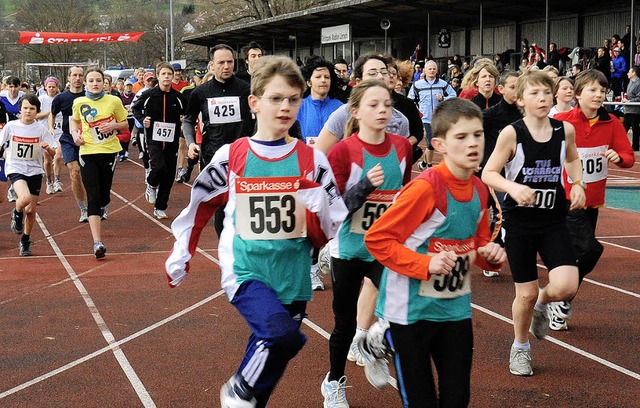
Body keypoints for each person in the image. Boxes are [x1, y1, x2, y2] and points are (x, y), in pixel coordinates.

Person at [165, 55, 347, 408]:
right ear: (254, 102)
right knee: (283, 337)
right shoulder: (232, 156)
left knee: (271, 356)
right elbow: (199, 206)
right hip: (246, 270)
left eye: (293, 99)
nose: (285, 107)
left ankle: (244, 393)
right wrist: (182, 252)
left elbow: (334, 220)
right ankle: (237, 390)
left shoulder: (312, 161)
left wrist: (321, 219)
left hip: (292, 275)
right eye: (276, 98)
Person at [363, 98, 507, 407]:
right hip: (410, 311)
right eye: (461, 137)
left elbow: (475, 243)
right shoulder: (426, 188)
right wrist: (425, 264)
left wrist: (488, 253)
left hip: (454, 308)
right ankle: (385, 336)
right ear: (439, 144)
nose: (472, 144)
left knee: (457, 399)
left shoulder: (481, 189)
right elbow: (377, 239)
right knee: (421, 401)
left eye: (478, 135)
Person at [482, 71, 586, 376]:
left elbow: (573, 158)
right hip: (520, 225)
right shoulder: (512, 134)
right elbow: (489, 172)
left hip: (553, 220)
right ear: (522, 100)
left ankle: (544, 300)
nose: (542, 99)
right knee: (523, 293)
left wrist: (577, 183)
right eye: (534, 94)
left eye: (546, 93)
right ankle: (521, 347)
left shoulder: (563, 130)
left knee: (567, 285)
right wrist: (513, 188)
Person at [321, 79, 413, 407]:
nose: (382, 111)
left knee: (400, 307)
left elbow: (403, 198)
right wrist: (362, 187)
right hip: (348, 247)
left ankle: (375, 346)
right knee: (344, 324)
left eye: (387, 105)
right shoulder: (343, 151)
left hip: (384, 247)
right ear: (356, 112)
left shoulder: (402, 148)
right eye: (373, 105)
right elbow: (331, 208)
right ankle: (334, 381)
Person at [552, 69, 635, 330]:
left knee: (578, 255)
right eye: (593, 90)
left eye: (603, 90)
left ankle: (561, 298)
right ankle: (559, 298)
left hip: (593, 201)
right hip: (567, 200)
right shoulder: (563, 121)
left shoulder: (611, 123)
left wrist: (618, 158)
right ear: (577, 94)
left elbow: (628, 156)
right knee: (590, 249)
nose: (599, 95)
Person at [183, 43, 255, 236]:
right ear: (212, 66)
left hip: (244, 156)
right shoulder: (200, 92)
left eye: (230, 62)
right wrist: (190, 143)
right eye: (221, 62)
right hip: (214, 157)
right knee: (222, 207)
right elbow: (188, 120)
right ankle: (225, 252)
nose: (226, 66)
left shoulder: (246, 89)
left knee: (243, 205)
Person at [70, 67, 129, 259]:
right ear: (85, 83)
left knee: (104, 195)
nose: (95, 84)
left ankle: (105, 204)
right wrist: (75, 134)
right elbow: (75, 122)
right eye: (91, 80)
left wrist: (113, 126)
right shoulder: (79, 101)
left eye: (98, 80)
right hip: (87, 152)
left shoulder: (114, 100)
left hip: (109, 151)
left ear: (105, 83)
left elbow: (125, 123)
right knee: (93, 196)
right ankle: (97, 242)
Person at [1, 94, 58, 256]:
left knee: (31, 210)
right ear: (20, 109)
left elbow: (54, 152)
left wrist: (48, 148)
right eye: (25, 108)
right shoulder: (11, 126)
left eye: (32, 109)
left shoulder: (40, 129)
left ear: (37, 111)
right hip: (15, 168)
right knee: (24, 198)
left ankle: (25, 239)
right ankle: (16, 213)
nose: (28, 111)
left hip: (34, 171)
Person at [479, 70, 522, 278]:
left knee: (515, 215)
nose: (517, 91)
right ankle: (491, 256)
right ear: (502, 89)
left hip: (520, 172)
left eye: (520, 86)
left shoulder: (526, 114)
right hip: (496, 173)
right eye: (513, 87)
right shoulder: (491, 115)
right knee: (500, 214)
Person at [132, 62, 188, 220]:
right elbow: (135, 108)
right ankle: (151, 184)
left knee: (169, 175)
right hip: (153, 138)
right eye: (163, 74)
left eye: (169, 74)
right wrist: (143, 119)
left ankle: (160, 207)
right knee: (158, 166)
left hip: (172, 140)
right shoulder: (149, 95)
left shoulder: (178, 97)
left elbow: (188, 111)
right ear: (158, 76)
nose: (167, 77)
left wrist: (184, 117)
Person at [50, 66, 89, 222]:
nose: (78, 78)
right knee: (74, 172)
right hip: (68, 138)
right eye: (75, 75)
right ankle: (83, 209)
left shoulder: (89, 96)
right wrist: (51, 129)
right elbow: (52, 115)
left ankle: (97, 203)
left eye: (80, 75)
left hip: (88, 138)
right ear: (69, 78)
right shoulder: (61, 98)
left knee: (91, 175)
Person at [408, 59, 456, 168]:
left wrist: (443, 98)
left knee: (435, 143)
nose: (432, 71)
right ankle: (429, 166)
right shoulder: (417, 85)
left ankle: (424, 163)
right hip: (425, 118)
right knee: (430, 143)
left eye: (434, 69)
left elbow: (454, 95)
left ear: (437, 71)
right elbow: (410, 100)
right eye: (430, 69)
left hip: (439, 118)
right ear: (425, 70)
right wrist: (416, 112)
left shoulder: (443, 84)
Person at [297, 56, 343, 145]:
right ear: (309, 82)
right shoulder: (298, 107)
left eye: (327, 77)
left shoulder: (340, 108)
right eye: (318, 77)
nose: (323, 80)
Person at [36, 76, 64, 195]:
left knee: (58, 156)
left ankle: (57, 180)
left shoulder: (61, 98)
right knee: (47, 158)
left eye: (54, 87)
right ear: (45, 87)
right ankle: (49, 181)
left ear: (57, 87)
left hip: (59, 131)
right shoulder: (41, 99)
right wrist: (50, 112)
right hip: (45, 132)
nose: (51, 89)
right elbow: (35, 116)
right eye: (49, 87)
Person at [623, 66, 640, 151]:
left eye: (629, 72)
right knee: (624, 128)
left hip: (635, 110)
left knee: (635, 129)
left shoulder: (638, 83)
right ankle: (621, 145)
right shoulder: (630, 82)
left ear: (634, 73)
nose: (627, 73)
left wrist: (629, 101)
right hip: (628, 109)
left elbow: (639, 97)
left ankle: (635, 146)